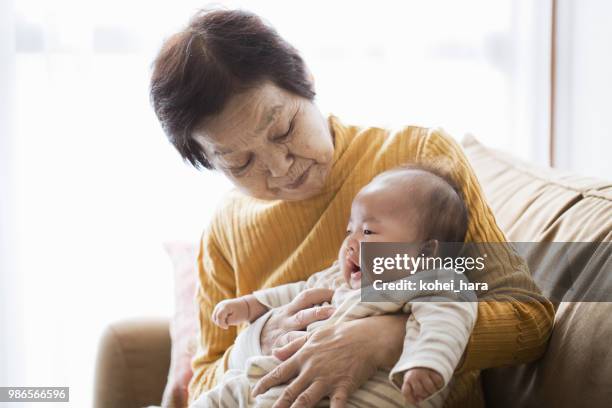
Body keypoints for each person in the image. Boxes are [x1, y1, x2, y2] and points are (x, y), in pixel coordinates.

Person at [149, 8, 554, 408]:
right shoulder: (225, 229)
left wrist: (386, 338)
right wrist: (260, 335)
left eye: (284, 130)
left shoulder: (417, 158)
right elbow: (201, 385)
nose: (279, 166)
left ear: (304, 76)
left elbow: (528, 319)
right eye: (241, 163)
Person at [194, 165, 478, 408]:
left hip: (351, 397)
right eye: (348, 230)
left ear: (426, 253)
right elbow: (300, 292)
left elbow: (447, 319)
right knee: (227, 392)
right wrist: (250, 305)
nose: (350, 242)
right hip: (279, 380)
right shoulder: (337, 280)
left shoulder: (436, 281)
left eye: (367, 231)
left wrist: (428, 362)